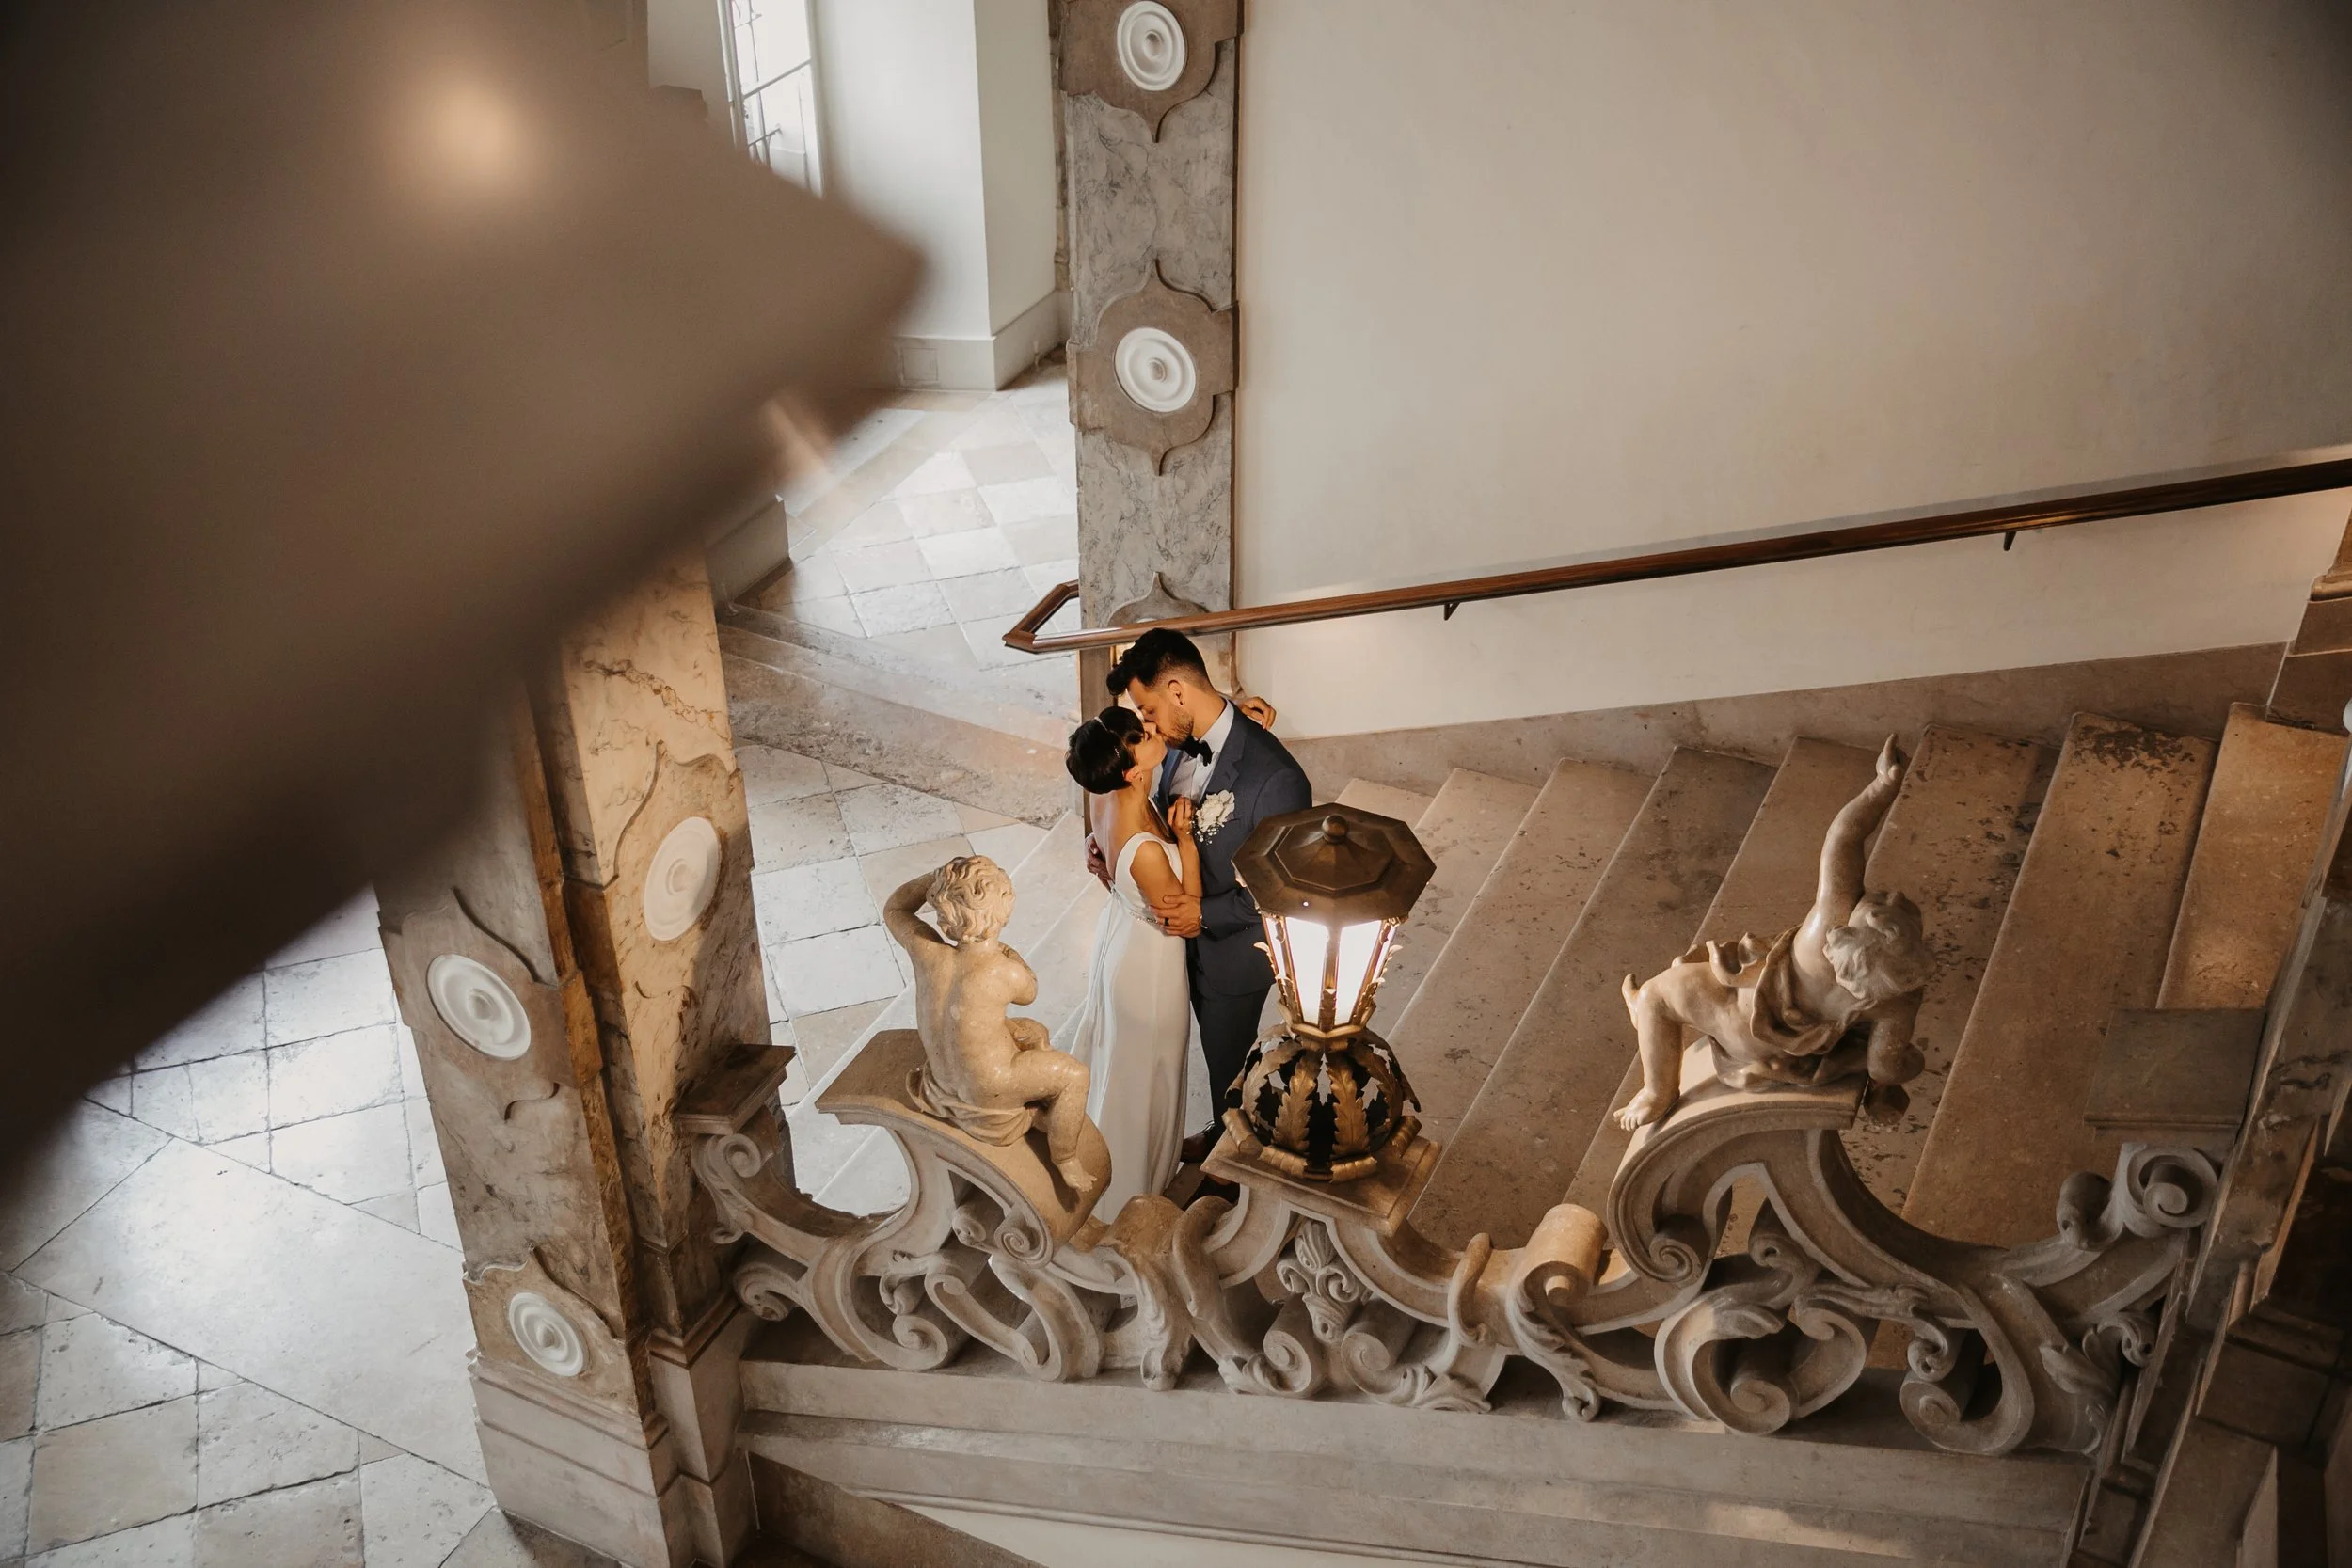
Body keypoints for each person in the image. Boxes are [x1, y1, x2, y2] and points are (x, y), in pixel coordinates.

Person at [1614, 737, 1933, 1132]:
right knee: (1695, 981)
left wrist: (1882, 786)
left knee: (1657, 996)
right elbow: (1885, 1066)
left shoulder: (1826, 929)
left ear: (1846, 933)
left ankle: (1657, 1092)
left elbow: (1844, 837)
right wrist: (1902, 1071)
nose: (1888, 894)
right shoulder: (1897, 1000)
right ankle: (1653, 1024)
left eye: (1879, 902)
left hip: (1743, 1025)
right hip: (1796, 1056)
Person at [1092, 629, 1312, 1163]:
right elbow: (1140, 803)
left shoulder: (1277, 779)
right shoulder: (1173, 739)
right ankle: (1218, 1134)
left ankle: (1231, 1168)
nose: (1147, 724)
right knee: (1195, 1056)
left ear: (1177, 692)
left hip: (1232, 951)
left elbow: (1286, 890)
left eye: (1148, 709)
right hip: (1169, 945)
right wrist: (1108, 845)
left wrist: (1203, 912)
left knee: (1229, 1062)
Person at [882, 857, 1098, 1196]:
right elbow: (1029, 992)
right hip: (992, 1084)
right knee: (1075, 1075)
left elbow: (895, 908)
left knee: (1026, 1029)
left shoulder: (926, 950)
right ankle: (1066, 1157)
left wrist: (935, 877)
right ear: (1003, 909)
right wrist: (1009, 952)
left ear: (944, 911)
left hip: (940, 1082)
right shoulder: (1005, 970)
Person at [1062, 706, 1201, 1218]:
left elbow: (1101, 847)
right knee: (1146, 1075)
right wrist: (1185, 841)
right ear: (1132, 769)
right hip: (1149, 965)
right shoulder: (1146, 851)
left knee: (1121, 1062)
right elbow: (1184, 917)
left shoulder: (1102, 794)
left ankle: (1122, 1167)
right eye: (1143, 736)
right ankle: (1129, 1196)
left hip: (1119, 934)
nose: (1154, 730)